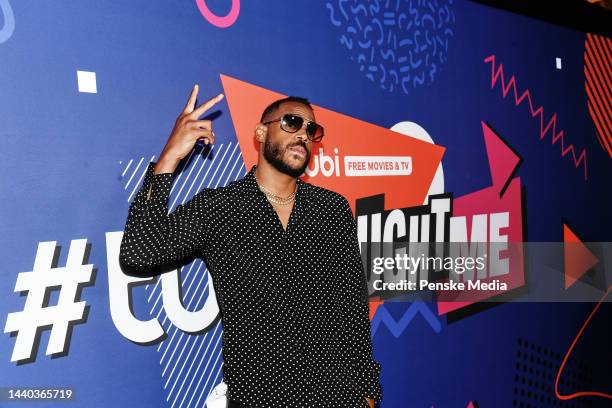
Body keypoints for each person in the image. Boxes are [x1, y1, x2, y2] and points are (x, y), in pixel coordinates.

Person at [119, 84, 382, 408]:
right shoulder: (219, 208)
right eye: (291, 123)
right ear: (260, 132)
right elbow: (138, 252)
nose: (303, 134)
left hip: (338, 397)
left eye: (311, 129)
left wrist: (368, 392)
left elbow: (353, 307)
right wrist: (169, 157)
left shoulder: (332, 210)